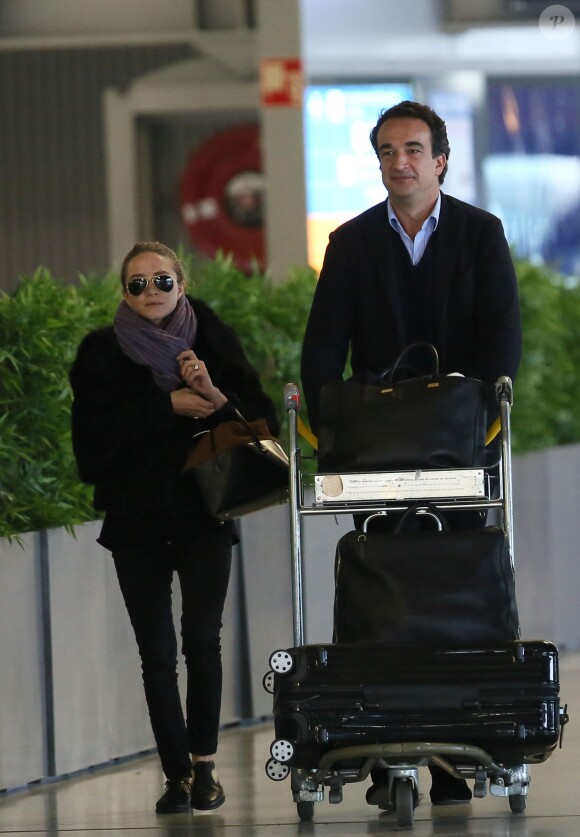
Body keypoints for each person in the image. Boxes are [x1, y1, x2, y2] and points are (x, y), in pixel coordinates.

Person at [300, 101, 522, 807]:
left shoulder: (480, 235)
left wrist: (478, 416)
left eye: (414, 150)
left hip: (459, 443)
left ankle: (457, 753)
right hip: (380, 448)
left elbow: (501, 343)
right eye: (389, 151)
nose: (401, 163)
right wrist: (336, 428)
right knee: (383, 592)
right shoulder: (352, 243)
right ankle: (385, 750)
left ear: (441, 159)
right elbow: (322, 351)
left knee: (458, 593)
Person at [70, 241, 279, 814]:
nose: (150, 293)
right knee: (156, 652)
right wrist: (164, 410)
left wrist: (213, 397)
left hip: (203, 514)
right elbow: (90, 451)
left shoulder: (210, 336)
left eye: (161, 281)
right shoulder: (100, 355)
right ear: (123, 293)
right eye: (136, 284)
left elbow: (260, 424)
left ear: (181, 286)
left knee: (202, 640)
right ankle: (176, 774)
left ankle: (206, 765)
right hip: (135, 519)